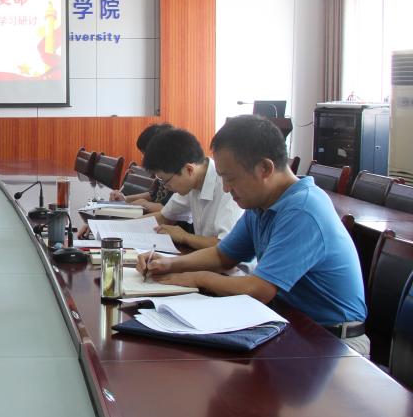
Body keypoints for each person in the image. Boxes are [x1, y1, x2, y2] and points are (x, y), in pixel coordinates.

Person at [138, 115, 368, 355]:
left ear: (265, 169)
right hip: (290, 325)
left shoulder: (303, 210)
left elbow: (259, 290)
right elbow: (222, 256)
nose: (226, 188)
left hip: (333, 342)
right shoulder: (261, 204)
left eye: (230, 178)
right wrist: (168, 264)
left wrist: (198, 278)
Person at [142, 127, 243, 250]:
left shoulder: (228, 187)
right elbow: (165, 217)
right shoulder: (192, 182)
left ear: (189, 170)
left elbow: (226, 246)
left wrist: (185, 237)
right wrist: (122, 227)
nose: (166, 187)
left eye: (166, 181)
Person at [108, 123, 174, 213]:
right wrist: (125, 199)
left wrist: (142, 204)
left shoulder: (176, 177)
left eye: (144, 154)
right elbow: (153, 194)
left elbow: (170, 211)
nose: (143, 158)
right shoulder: (162, 172)